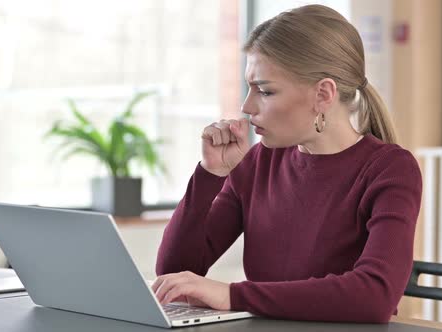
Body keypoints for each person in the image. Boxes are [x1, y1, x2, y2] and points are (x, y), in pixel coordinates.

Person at [151, 4, 422, 323]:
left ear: (323, 94)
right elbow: (174, 276)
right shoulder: (259, 162)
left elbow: (375, 295)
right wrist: (210, 175)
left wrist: (232, 295)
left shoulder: (390, 169)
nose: (246, 106)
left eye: (264, 90)